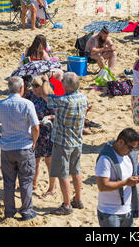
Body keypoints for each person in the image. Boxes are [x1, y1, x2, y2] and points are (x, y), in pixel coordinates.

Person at [0, 76, 40, 220]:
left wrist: (0, 139)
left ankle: (9, 212)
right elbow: (36, 127)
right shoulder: (27, 104)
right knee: (26, 181)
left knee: (8, 182)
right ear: (22, 88)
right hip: (24, 147)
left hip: (7, 149)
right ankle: (27, 212)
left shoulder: (0, 105)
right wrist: (34, 142)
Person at [40, 72, 88, 215]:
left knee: (63, 174)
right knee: (76, 171)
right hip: (77, 141)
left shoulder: (64, 101)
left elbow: (45, 94)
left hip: (63, 142)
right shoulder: (83, 98)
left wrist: (45, 80)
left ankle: (67, 205)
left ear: (66, 86)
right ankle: (78, 199)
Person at [95, 128, 139, 228]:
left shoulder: (130, 156)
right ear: (121, 142)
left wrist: (136, 179)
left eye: (133, 148)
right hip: (109, 213)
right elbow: (102, 186)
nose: (131, 151)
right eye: (130, 148)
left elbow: (129, 177)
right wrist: (126, 182)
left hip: (127, 210)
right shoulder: (105, 159)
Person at [30, 77, 56, 199]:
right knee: (34, 160)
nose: (33, 88)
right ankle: (33, 183)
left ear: (42, 86)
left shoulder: (49, 98)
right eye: (32, 85)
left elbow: (57, 114)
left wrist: (49, 118)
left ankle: (52, 188)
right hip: (36, 133)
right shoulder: (33, 96)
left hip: (47, 133)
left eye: (36, 85)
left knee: (49, 161)